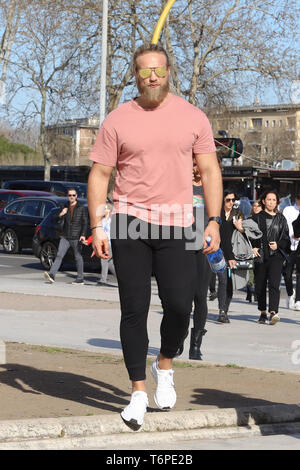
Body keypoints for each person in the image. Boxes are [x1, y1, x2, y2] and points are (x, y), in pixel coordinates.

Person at [88, 43, 223, 431]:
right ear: (135, 75)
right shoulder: (117, 120)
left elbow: (210, 171)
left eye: (159, 71)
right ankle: (137, 394)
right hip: (130, 222)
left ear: (168, 73)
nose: (152, 77)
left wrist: (213, 221)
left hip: (179, 223)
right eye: (145, 70)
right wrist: (98, 225)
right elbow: (100, 175)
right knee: (134, 308)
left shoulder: (193, 117)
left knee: (181, 305)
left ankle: (165, 363)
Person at [250, 190, 290, 325]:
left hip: (276, 256)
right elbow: (249, 235)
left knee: (274, 284)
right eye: (269, 199)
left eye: (274, 200)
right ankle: (262, 312)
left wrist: (278, 244)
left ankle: (273, 311)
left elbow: (286, 239)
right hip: (261, 256)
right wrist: (253, 247)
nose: (271, 202)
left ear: (277, 202)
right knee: (260, 285)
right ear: (263, 201)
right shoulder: (257, 217)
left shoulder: (281, 219)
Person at [188, 160, 211, 360]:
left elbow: (218, 220)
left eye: (198, 164)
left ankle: (195, 346)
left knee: (200, 298)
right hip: (181, 246)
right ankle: (177, 338)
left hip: (203, 248)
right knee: (179, 298)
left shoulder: (210, 188)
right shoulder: (179, 186)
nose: (196, 168)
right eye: (193, 163)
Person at [43, 188, 88, 284]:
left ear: (76, 196)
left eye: (73, 195)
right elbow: (55, 219)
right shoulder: (64, 206)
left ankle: (80, 278)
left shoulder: (81, 207)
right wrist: (61, 214)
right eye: (70, 195)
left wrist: (83, 235)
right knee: (59, 255)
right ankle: (52, 275)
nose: (71, 197)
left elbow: (85, 222)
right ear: (67, 196)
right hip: (65, 236)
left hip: (76, 236)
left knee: (78, 257)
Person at [216, 189, 244, 323]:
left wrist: (240, 228)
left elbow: (244, 234)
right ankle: (221, 311)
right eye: (228, 200)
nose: (231, 202)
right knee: (222, 281)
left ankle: (225, 311)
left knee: (229, 283)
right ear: (223, 200)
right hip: (216, 252)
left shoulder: (237, 214)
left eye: (233, 200)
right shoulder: (217, 212)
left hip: (231, 254)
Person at [282, 195, 300, 311]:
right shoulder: (288, 210)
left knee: (299, 274)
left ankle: (298, 300)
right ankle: (290, 293)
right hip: (289, 247)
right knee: (287, 274)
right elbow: (284, 226)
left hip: (299, 247)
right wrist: (291, 235)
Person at [245, 200, 262, 302]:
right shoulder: (249, 219)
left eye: (258, 206)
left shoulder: (263, 220)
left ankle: (256, 293)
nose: (256, 208)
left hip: (260, 249)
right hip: (249, 248)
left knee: (259, 272)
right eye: (254, 206)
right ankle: (249, 291)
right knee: (250, 271)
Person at [97, 204, 115, 285]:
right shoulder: (102, 220)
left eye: (105, 209)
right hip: (103, 244)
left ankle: (103, 280)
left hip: (110, 244)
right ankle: (122, 280)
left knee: (104, 260)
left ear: (109, 211)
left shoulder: (112, 221)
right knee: (110, 264)